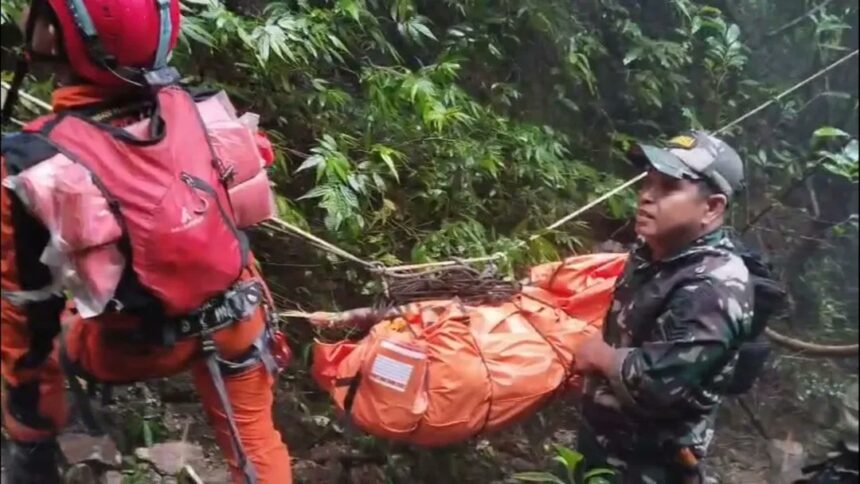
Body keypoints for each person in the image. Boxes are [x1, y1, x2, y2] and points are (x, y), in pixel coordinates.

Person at [0, 1, 291, 482]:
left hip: (133, 345)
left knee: (57, 333)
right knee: (256, 443)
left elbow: (25, 319)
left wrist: (31, 435)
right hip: (238, 315)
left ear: (56, 35)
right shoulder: (200, 109)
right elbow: (238, 218)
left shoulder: (31, 163)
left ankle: (82, 440)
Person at [572, 131, 755, 483]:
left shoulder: (713, 285)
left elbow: (659, 385)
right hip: (604, 446)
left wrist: (599, 356)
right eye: (648, 182)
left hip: (650, 467)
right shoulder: (654, 252)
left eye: (669, 187)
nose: (646, 196)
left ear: (712, 207)